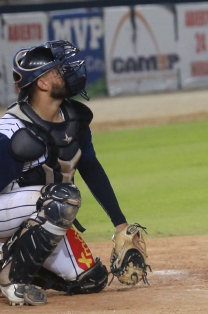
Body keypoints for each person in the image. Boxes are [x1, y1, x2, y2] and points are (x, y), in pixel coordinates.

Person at [0, 41, 144, 305]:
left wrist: (120, 224)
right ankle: (12, 279)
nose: (68, 71)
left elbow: (90, 167)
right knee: (62, 199)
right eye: (58, 70)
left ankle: (13, 260)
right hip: (6, 213)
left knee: (91, 279)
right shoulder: (12, 130)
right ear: (42, 84)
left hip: (40, 216)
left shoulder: (72, 119)